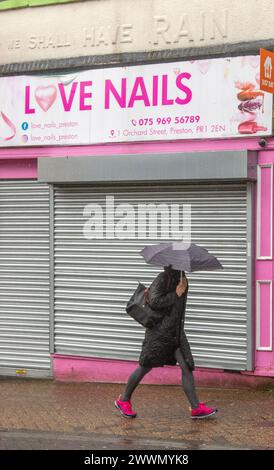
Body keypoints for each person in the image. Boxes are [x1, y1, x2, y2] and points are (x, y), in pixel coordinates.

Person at [115, 265, 218, 420]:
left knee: (186, 365)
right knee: (145, 366)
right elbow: (154, 301)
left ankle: (196, 408)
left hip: (175, 333)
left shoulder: (182, 280)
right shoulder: (162, 278)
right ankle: (123, 400)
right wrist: (175, 294)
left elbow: (179, 310)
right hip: (158, 333)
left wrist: (182, 288)